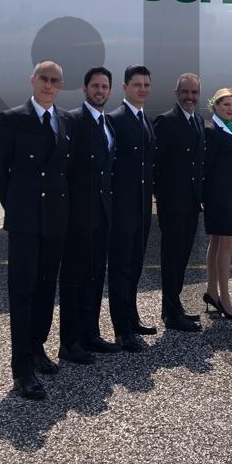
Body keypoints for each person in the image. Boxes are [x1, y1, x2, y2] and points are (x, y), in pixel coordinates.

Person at [0, 60, 72, 401]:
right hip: (25, 222)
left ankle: (37, 348)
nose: (49, 85)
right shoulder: (13, 119)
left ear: (60, 86)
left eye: (55, 80)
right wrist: (15, 205)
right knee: (22, 293)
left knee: (46, 288)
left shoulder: (63, 120)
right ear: (33, 80)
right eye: (44, 78)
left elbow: (66, 169)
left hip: (54, 220)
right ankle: (22, 370)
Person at [57, 67, 121, 364]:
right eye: (95, 86)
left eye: (104, 87)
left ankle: (90, 334)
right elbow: (64, 168)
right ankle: (69, 343)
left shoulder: (107, 123)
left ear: (110, 91)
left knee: (95, 275)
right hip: (79, 214)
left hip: (102, 213)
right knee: (74, 279)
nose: (100, 91)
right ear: (84, 89)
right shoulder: (73, 120)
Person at [106, 65, 156, 351]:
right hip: (122, 207)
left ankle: (132, 318)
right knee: (121, 268)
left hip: (142, 206)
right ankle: (122, 330)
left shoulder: (145, 119)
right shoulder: (114, 120)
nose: (142, 89)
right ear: (125, 87)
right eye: (137, 84)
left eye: (146, 85)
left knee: (135, 264)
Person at [152, 73, 205, 333]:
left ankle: (174, 306)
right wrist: (161, 195)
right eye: (185, 92)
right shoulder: (166, 121)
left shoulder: (198, 120)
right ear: (176, 93)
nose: (190, 97)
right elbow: (154, 163)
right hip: (172, 202)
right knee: (172, 257)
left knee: (183, 255)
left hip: (192, 202)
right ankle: (171, 313)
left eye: (194, 92)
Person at [202, 88, 232, 321]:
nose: (230, 109)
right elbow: (206, 165)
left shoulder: (229, 127)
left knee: (218, 241)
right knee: (227, 241)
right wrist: (204, 195)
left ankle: (211, 291)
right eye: (225, 104)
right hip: (217, 193)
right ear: (215, 105)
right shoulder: (211, 130)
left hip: (229, 191)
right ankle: (224, 299)